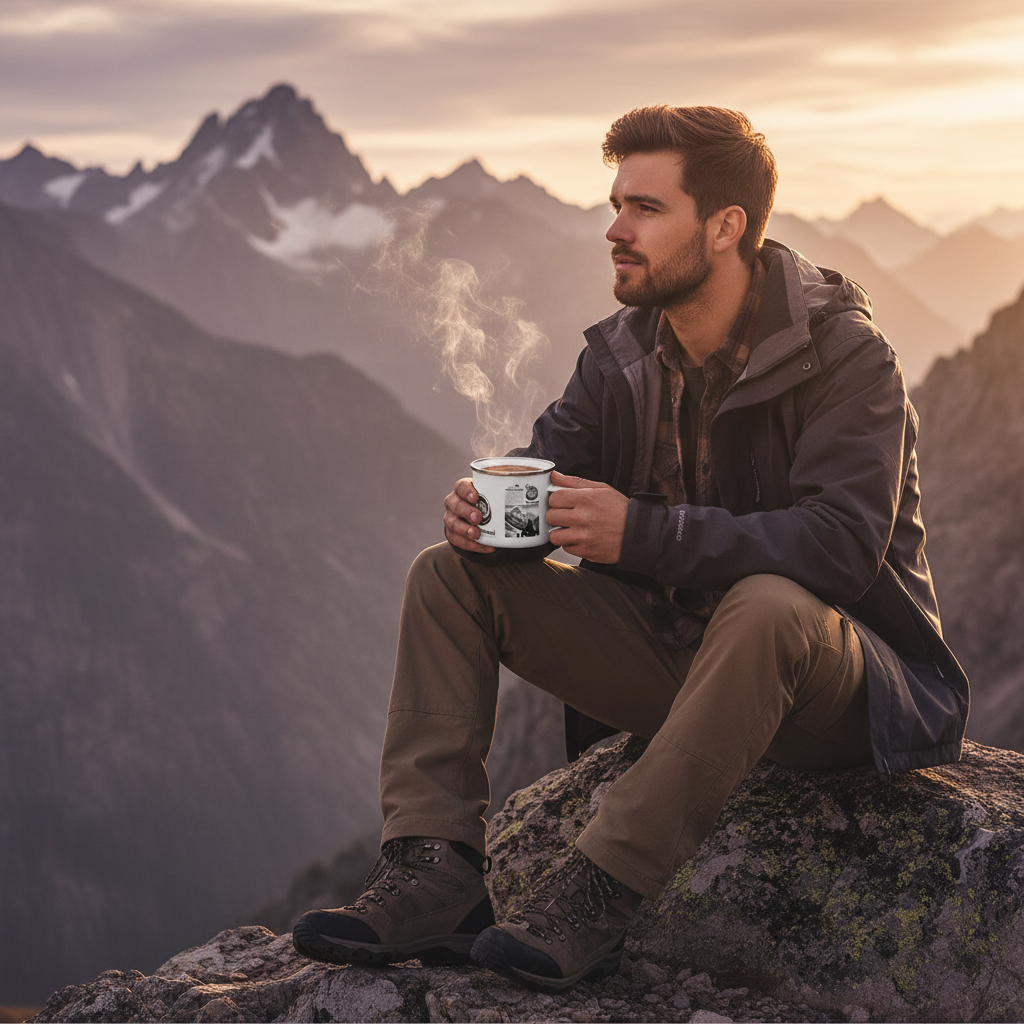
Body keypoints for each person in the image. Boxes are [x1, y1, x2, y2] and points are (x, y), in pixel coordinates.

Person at [292, 105, 969, 992]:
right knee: (448, 575)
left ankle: (597, 893)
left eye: (645, 208)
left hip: (832, 688)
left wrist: (642, 532)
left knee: (767, 604)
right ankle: (435, 873)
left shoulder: (846, 358)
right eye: (615, 204)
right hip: (681, 665)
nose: (615, 229)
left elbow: (841, 550)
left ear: (726, 227)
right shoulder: (618, 357)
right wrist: (492, 517)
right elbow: (552, 477)